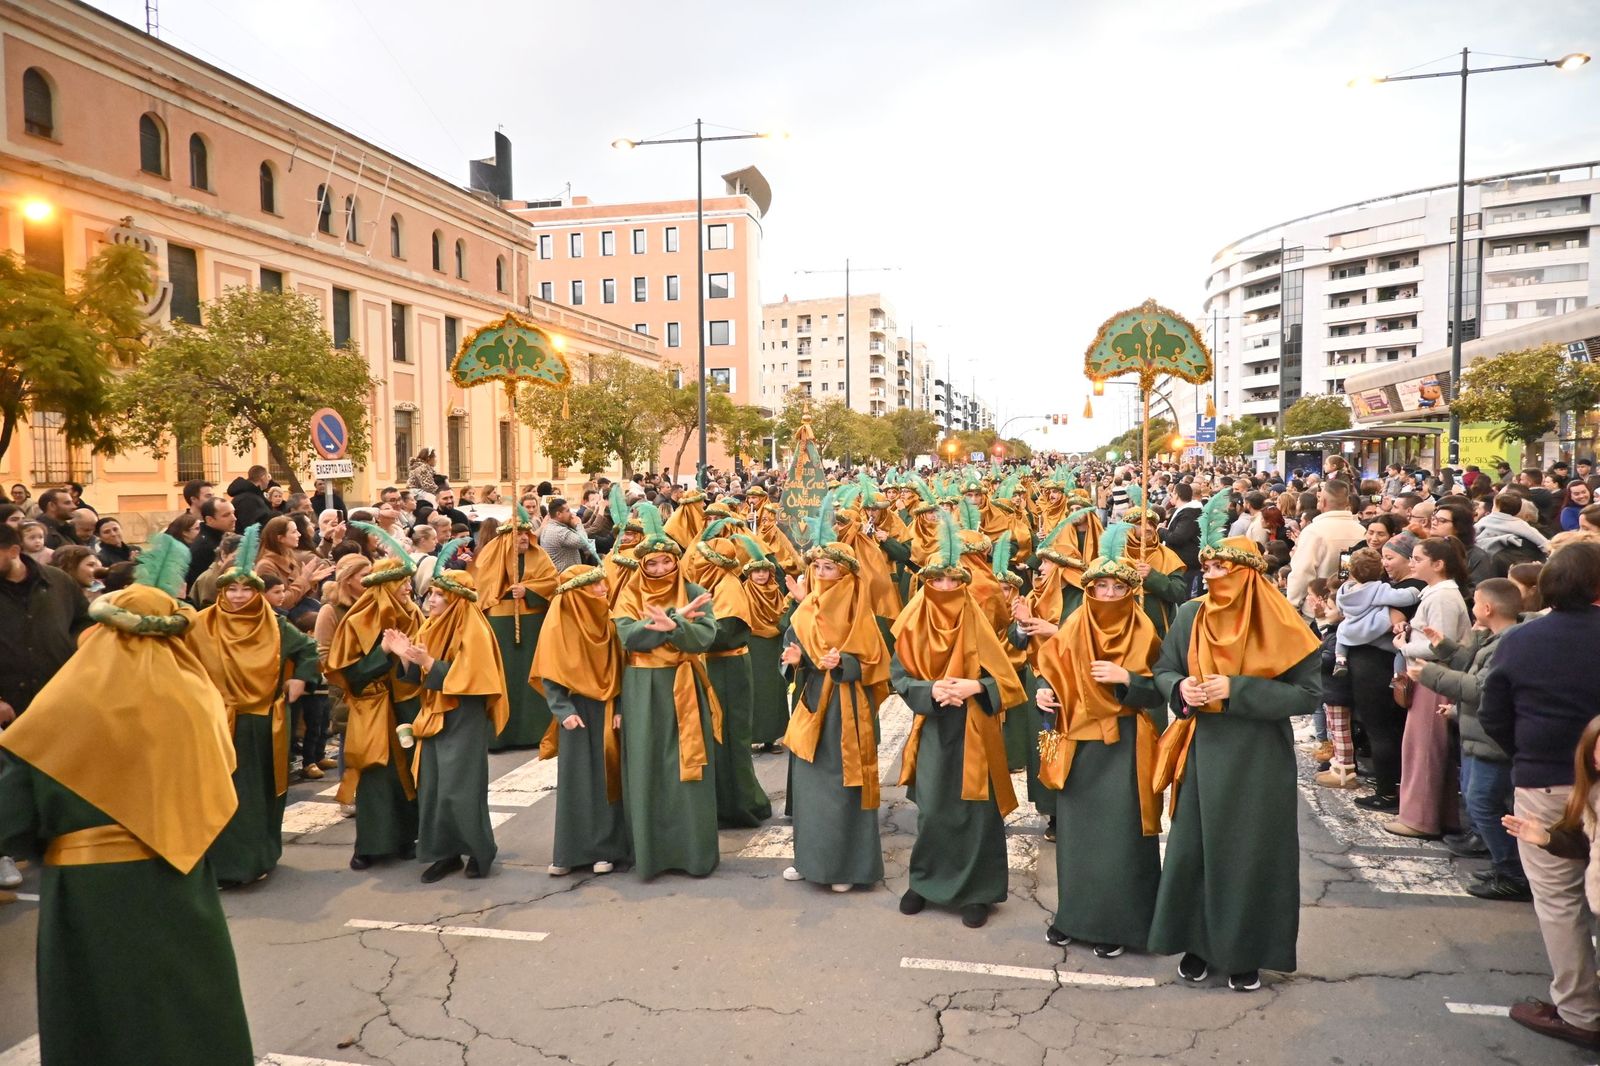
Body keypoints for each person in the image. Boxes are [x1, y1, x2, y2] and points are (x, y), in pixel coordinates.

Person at [0, 539, 254, 1065]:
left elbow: (11, 819)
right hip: (177, 883)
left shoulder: (57, 709)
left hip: (86, 895)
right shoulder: (197, 704)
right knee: (187, 1013)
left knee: (101, 1021)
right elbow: (222, 797)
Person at [1149, 532, 1321, 991]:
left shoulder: (1282, 621)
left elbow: (1307, 694)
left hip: (1259, 756)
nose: (1211, 576)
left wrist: (1236, 690)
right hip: (1203, 748)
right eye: (1207, 568)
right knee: (1196, 850)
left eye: (1221, 568)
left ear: (1247, 574)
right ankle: (1197, 943)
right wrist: (1180, 688)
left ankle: (1248, 950)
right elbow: (1164, 669)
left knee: (1252, 854)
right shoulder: (1191, 614)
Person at [1482, 541, 1600, 1051]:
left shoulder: (1522, 640)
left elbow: (1493, 712)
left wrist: (1524, 754)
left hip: (1544, 779)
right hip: (1577, 775)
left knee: (1559, 900)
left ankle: (1580, 1011)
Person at [1034, 522, 1165, 957]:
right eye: (1100, 587)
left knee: (1120, 836)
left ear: (1129, 590)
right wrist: (1044, 692)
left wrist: (1128, 679)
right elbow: (1050, 669)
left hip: (1122, 744)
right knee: (1076, 837)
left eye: (1117, 587)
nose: (1108, 594)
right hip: (1076, 741)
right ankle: (1074, 916)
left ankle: (1121, 925)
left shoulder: (1143, 628)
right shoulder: (1073, 623)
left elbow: (1159, 691)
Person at [891, 516, 1024, 929]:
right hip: (933, 725)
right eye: (938, 580)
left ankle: (978, 891)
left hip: (975, 724)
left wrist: (975, 686)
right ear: (927, 582)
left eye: (953, 581)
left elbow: (1007, 681)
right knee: (933, 808)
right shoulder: (912, 621)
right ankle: (925, 882)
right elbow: (899, 676)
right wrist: (930, 690)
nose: (946, 587)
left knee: (976, 810)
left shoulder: (976, 618)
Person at [194, 528, 319, 887]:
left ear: (257, 592)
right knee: (220, 795)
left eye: (246, 589)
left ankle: (255, 859)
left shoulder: (275, 625)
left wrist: (301, 678)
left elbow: (308, 651)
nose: (238, 596)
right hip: (217, 723)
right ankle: (222, 866)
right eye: (231, 589)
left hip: (262, 723)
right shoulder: (201, 625)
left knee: (257, 795)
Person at [381, 559, 506, 882]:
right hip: (432, 714)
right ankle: (445, 854)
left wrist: (428, 662)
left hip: (463, 717)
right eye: (431, 594)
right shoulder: (429, 626)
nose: (432, 600)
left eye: (439, 595)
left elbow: (475, 679)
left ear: (456, 600)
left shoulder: (475, 629)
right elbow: (415, 677)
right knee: (433, 788)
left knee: (461, 789)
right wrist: (404, 656)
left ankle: (479, 852)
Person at [614, 505, 720, 878]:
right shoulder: (629, 593)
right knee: (647, 769)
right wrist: (670, 621)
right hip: (642, 690)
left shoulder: (694, 591)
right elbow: (628, 637)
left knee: (686, 768)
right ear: (642, 564)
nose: (660, 569)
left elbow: (705, 637)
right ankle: (651, 854)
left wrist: (672, 626)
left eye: (666, 562)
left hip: (683, 684)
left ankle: (694, 854)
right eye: (652, 563)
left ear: (676, 561)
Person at [1406, 577, 1528, 900]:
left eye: (1476, 603)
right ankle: (1502, 863)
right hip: (1478, 734)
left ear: (1487, 608)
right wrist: (1445, 647)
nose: (1472, 607)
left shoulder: (1506, 643)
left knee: (1484, 803)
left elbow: (1479, 688)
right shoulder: (1495, 638)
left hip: (1490, 739)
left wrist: (1431, 674)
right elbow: (1473, 668)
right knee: (1479, 801)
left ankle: (1512, 873)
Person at [780, 537, 890, 892]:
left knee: (843, 785)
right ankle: (808, 859)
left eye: (829, 568)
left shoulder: (858, 610)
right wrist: (795, 661)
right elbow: (791, 647)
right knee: (809, 785)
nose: (821, 573)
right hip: (813, 702)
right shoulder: (806, 608)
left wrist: (845, 663)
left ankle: (844, 866)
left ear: (845, 574)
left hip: (847, 708)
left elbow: (876, 663)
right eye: (817, 567)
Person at [326, 541, 425, 870]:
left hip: (407, 705)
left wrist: (409, 659)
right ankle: (369, 845)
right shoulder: (358, 620)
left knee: (407, 773)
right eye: (403, 583)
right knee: (375, 775)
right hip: (372, 708)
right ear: (386, 587)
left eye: (409, 582)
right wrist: (382, 652)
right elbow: (350, 673)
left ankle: (406, 838)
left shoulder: (413, 614)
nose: (409, 588)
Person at [533, 565, 629, 876]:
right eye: (596, 586)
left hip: (607, 710)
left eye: (603, 584)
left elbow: (624, 668)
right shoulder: (558, 626)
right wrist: (562, 711)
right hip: (575, 711)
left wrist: (620, 707)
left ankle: (606, 849)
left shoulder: (610, 623)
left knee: (606, 779)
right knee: (575, 781)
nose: (604, 589)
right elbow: (550, 674)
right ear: (577, 594)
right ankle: (569, 852)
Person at [681, 523, 771, 828]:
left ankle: (741, 804)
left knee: (731, 736)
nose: (696, 564)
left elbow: (723, 633)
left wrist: (686, 630)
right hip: (715, 667)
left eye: (702, 560)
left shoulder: (729, 587)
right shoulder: (714, 585)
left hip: (729, 670)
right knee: (717, 738)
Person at [1385, 537, 1472, 840]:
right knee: (1430, 747)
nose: (1412, 563)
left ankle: (1420, 819)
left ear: (1438, 564)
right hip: (1433, 675)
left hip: (1434, 676)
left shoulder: (1443, 597)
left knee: (1423, 748)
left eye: (1418, 559)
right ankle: (1441, 815)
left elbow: (1441, 643)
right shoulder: (1438, 594)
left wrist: (1405, 646)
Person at [471, 505, 559, 750]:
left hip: (532, 624)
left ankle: (535, 732)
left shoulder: (539, 556)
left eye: (526, 533)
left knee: (532, 675)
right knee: (504, 678)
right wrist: (505, 592)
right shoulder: (490, 557)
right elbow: (482, 590)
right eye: (518, 534)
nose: (523, 538)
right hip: (500, 625)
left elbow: (553, 582)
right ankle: (502, 734)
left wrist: (529, 590)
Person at [739, 538, 793, 753]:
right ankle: (753, 737)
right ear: (749, 574)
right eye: (756, 571)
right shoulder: (743, 591)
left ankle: (772, 737)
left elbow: (783, 615)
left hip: (774, 645)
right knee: (754, 690)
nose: (761, 575)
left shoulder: (776, 591)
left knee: (774, 690)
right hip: (753, 645)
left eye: (764, 571)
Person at [1286, 480, 1366, 616]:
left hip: (1317, 608)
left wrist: (1292, 604)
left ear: (1322, 502)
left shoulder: (1313, 531)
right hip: (1353, 605)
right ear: (1347, 502)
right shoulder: (1361, 530)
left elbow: (1302, 572)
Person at [539, 497, 588, 571]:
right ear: (558, 514)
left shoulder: (549, 526)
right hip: (566, 575)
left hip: (561, 573)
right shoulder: (559, 531)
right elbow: (583, 542)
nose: (571, 514)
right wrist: (578, 524)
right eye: (567, 511)